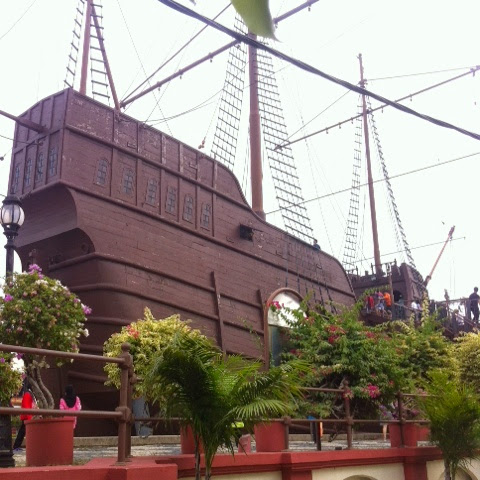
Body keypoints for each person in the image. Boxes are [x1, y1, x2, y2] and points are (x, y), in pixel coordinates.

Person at [13, 380, 35, 452]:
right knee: (23, 432)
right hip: (26, 416)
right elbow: (26, 406)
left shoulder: (28, 393)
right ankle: (16, 446)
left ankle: (16, 446)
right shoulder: (28, 394)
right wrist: (29, 417)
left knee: (22, 432)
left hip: (26, 416)